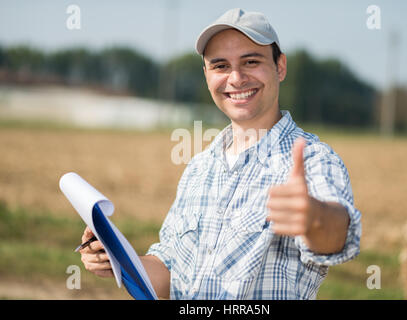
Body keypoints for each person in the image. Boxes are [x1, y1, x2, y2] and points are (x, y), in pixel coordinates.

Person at [79, 8, 361, 300]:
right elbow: (170, 274)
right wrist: (118, 259)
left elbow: (336, 237)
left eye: (251, 61)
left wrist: (314, 217)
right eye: (220, 66)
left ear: (280, 66)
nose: (236, 78)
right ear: (206, 75)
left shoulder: (314, 159)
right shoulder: (199, 168)